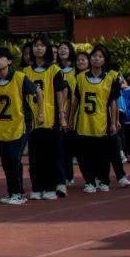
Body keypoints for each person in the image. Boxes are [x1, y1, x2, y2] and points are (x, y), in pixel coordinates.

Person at [0, 48, 39, 205]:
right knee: (6, 161)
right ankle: (13, 192)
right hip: (3, 127)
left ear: (9, 61)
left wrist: (40, 113)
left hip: (21, 124)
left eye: (0, 57)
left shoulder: (19, 77)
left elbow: (37, 91)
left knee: (14, 158)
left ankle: (18, 194)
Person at [69, 44, 122, 193]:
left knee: (102, 155)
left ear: (104, 60)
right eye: (94, 56)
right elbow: (75, 100)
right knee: (84, 155)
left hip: (101, 122)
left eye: (100, 57)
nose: (96, 59)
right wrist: (70, 118)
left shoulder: (111, 77)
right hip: (84, 122)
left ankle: (104, 180)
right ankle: (90, 182)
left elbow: (113, 102)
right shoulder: (80, 77)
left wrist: (113, 122)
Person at [22, 35, 68, 200]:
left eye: (42, 46)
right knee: (34, 157)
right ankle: (36, 187)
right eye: (35, 46)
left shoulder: (54, 70)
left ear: (47, 49)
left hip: (50, 119)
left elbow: (60, 94)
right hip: (32, 120)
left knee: (50, 155)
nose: (38, 48)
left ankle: (49, 187)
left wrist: (62, 115)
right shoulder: (25, 71)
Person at [56, 42, 78, 186]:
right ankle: (67, 176)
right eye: (60, 48)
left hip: (76, 112)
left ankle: (94, 177)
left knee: (81, 148)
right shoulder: (55, 69)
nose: (62, 50)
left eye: (65, 48)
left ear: (70, 51)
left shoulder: (78, 70)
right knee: (64, 148)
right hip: (61, 113)